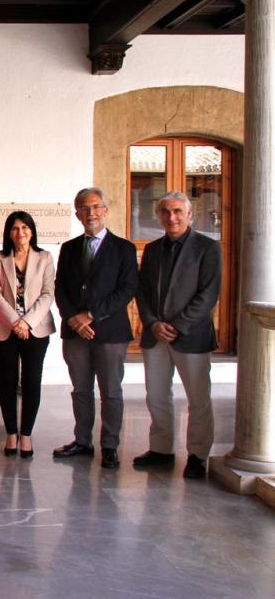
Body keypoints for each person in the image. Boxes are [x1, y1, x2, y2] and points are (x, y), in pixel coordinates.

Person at [133, 192, 222, 479]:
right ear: (159, 216)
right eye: (165, 212)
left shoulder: (207, 248)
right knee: (157, 396)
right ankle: (161, 449)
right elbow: (142, 291)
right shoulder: (153, 249)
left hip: (191, 336)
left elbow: (208, 295)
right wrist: (152, 323)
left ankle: (197, 455)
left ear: (189, 214)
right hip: (155, 334)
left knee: (198, 399)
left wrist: (178, 325)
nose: (171, 217)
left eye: (177, 212)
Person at [53, 187, 138, 469]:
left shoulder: (124, 248)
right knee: (81, 389)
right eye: (84, 208)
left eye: (96, 207)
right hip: (75, 332)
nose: (90, 213)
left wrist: (90, 315)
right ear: (77, 214)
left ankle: (110, 445)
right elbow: (60, 288)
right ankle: (82, 441)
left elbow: (127, 289)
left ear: (105, 210)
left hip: (110, 331)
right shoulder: (69, 248)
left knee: (111, 390)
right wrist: (73, 319)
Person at [0, 211, 56, 459]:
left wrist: (26, 322)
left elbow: (48, 293)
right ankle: (11, 433)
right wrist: (15, 321)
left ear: (32, 230)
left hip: (36, 329)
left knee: (31, 381)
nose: (21, 232)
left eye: (25, 227)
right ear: (8, 233)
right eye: (15, 228)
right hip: (5, 328)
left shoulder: (44, 257)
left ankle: (26, 434)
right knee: (6, 381)